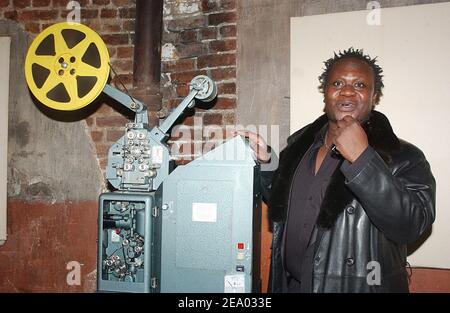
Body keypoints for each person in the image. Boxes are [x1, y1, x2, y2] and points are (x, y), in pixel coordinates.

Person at [236, 48, 436, 292]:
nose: (348, 91)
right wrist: (268, 162)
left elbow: (412, 225)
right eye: (338, 82)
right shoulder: (299, 147)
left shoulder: (402, 156)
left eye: (360, 84)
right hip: (291, 286)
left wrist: (364, 161)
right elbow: (283, 201)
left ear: (374, 96)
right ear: (326, 93)